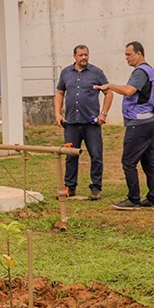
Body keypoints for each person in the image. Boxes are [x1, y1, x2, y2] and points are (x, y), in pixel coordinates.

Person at [96, 41, 154, 210]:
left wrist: (110, 85)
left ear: (139, 54)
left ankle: (134, 199)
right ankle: (153, 199)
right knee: (149, 162)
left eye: (129, 54)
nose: (126, 58)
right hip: (152, 122)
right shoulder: (152, 71)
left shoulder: (140, 72)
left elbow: (129, 91)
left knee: (128, 162)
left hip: (139, 124)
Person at [54, 44, 114, 201]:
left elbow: (109, 93)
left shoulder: (96, 73)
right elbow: (60, 92)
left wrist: (104, 114)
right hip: (71, 123)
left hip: (91, 124)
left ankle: (96, 188)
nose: (84, 58)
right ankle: (70, 187)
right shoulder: (66, 73)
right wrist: (57, 113)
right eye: (80, 55)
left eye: (86, 55)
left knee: (96, 155)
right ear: (74, 56)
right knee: (70, 156)